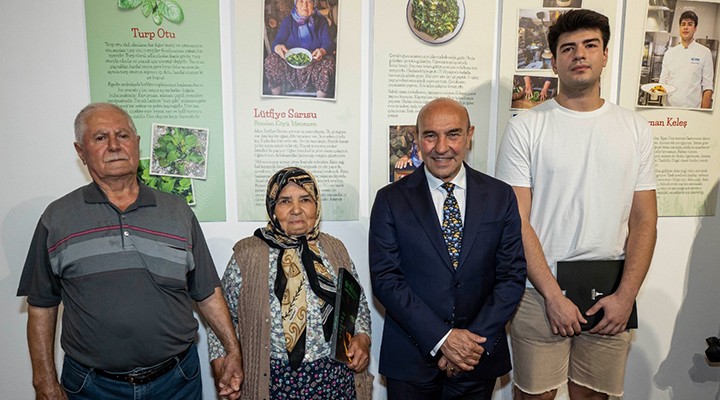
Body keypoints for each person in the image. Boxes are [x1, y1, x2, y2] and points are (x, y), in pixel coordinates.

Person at [16, 103, 243, 399]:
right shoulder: (56, 218)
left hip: (176, 382)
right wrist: (44, 382)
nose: (114, 145)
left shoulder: (177, 211)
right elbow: (41, 306)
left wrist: (233, 350)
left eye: (122, 135)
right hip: (92, 386)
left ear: (136, 144)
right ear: (80, 151)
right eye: (100, 138)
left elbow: (207, 292)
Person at [496, 9, 657, 400]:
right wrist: (553, 295)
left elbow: (644, 220)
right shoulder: (526, 127)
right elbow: (516, 221)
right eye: (568, 48)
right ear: (554, 61)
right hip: (539, 293)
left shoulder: (635, 127)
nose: (579, 55)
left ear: (604, 55)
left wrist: (626, 295)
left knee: (594, 396)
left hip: (610, 293)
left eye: (590, 45)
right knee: (534, 395)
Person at [369, 98, 527, 399]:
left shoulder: (500, 196)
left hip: (477, 359)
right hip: (411, 362)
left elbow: (511, 276)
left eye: (453, 134)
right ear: (417, 139)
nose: (441, 147)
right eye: (430, 136)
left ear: (470, 135)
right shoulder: (390, 200)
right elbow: (386, 280)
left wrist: (468, 345)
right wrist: (443, 340)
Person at [207, 167, 374, 399]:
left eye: (305, 199)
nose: (296, 209)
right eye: (285, 201)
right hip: (275, 381)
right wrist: (221, 361)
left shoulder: (335, 249)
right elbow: (221, 317)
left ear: (316, 205)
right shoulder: (247, 254)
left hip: (335, 379)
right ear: (272, 208)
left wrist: (362, 338)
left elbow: (358, 304)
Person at [264, 0, 336, 98]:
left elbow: (328, 43)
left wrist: (322, 51)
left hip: (314, 62)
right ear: (296, 5)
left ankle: (320, 103)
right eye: (301, 1)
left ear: (313, 4)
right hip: (290, 63)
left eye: (309, 2)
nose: (305, 5)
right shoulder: (288, 21)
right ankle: (276, 99)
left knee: (329, 63)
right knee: (271, 60)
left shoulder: (321, 20)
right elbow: (277, 41)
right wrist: (277, 47)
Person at [659, 10, 714, 109]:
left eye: (690, 24)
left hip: (693, 110)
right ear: (679, 27)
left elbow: (708, 87)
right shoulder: (669, 53)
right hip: (670, 109)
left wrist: (703, 114)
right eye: (683, 24)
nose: (685, 27)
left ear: (695, 28)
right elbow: (662, 83)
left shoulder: (705, 52)